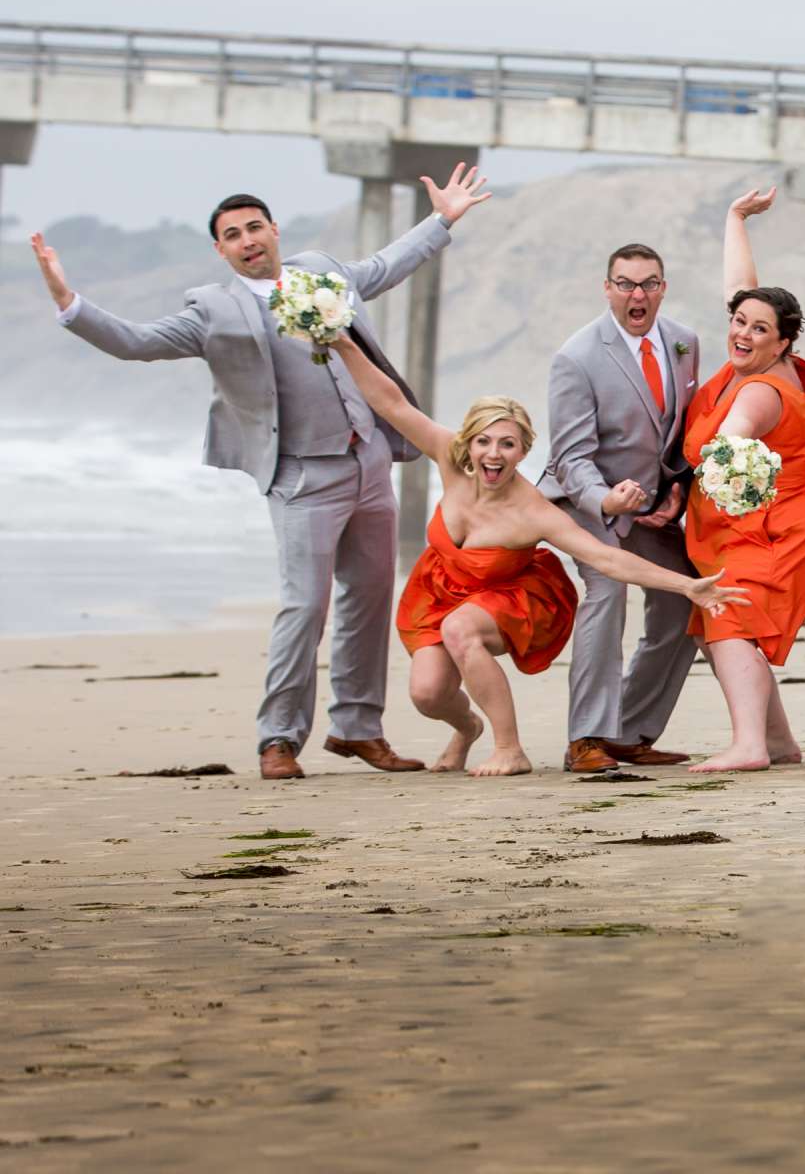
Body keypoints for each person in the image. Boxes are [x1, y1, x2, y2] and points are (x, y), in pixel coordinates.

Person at [30, 168, 491, 780]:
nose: (248, 240)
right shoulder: (212, 311)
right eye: (232, 235)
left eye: (255, 227)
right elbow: (137, 342)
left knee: (371, 599)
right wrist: (70, 304)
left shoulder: (323, 273)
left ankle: (357, 728)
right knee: (305, 607)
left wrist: (443, 219)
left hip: (370, 464)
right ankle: (278, 738)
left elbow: (384, 266)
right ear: (220, 250)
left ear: (274, 230)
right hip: (302, 477)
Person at [328, 341, 744, 777]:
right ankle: (467, 728)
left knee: (461, 629)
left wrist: (687, 586)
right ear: (468, 444)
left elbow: (607, 559)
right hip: (442, 590)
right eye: (484, 442)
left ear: (524, 451)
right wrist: (341, 343)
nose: (493, 453)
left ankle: (509, 748)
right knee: (429, 694)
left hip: (509, 596)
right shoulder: (449, 460)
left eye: (507, 444)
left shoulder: (533, 510)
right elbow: (389, 401)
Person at [679, 188, 805, 773]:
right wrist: (734, 218)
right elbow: (743, 286)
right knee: (721, 623)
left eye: (759, 328)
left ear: (783, 342)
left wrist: (722, 451)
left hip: (782, 526)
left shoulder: (756, 388)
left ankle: (750, 746)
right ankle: (776, 742)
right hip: (789, 512)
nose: (743, 332)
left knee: (726, 615)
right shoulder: (758, 361)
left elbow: (736, 429)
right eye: (738, 322)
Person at [541, 242, 705, 774]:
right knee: (607, 591)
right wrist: (604, 499)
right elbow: (570, 457)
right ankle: (584, 738)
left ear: (663, 287)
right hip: (587, 506)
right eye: (626, 284)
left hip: (654, 510)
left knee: (688, 598)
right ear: (607, 288)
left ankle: (628, 731)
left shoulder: (684, 342)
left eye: (649, 283)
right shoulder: (577, 356)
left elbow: (679, 433)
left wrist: (679, 487)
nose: (638, 295)